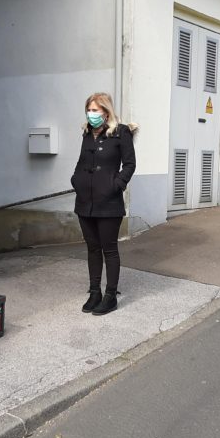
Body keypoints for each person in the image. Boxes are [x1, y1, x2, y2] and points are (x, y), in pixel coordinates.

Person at [71, 92, 136, 316]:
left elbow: (129, 164)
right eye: (89, 110)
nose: (91, 114)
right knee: (92, 248)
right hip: (85, 202)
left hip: (109, 202)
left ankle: (110, 295)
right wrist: (76, 180)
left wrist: (115, 185)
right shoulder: (87, 133)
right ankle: (94, 292)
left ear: (106, 111)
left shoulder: (121, 132)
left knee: (109, 248)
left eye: (95, 110)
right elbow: (81, 162)